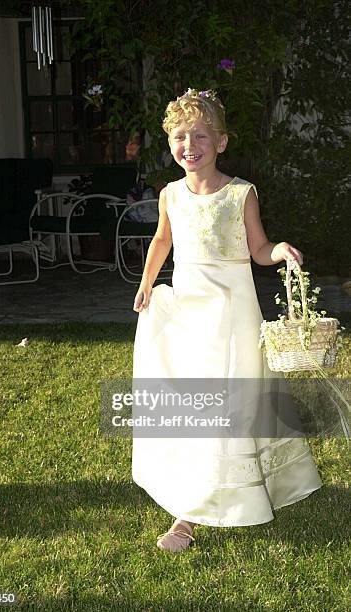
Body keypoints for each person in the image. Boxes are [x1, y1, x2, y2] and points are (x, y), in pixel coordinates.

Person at [131, 88, 322, 553]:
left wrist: (276, 251)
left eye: (200, 135)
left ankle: (226, 496)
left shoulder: (240, 194)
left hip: (232, 315)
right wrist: (147, 281)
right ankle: (188, 508)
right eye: (180, 136)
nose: (189, 145)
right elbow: (161, 241)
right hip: (190, 311)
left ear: (221, 143)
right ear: (170, 144)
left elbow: (257, 248)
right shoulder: (171, 195)